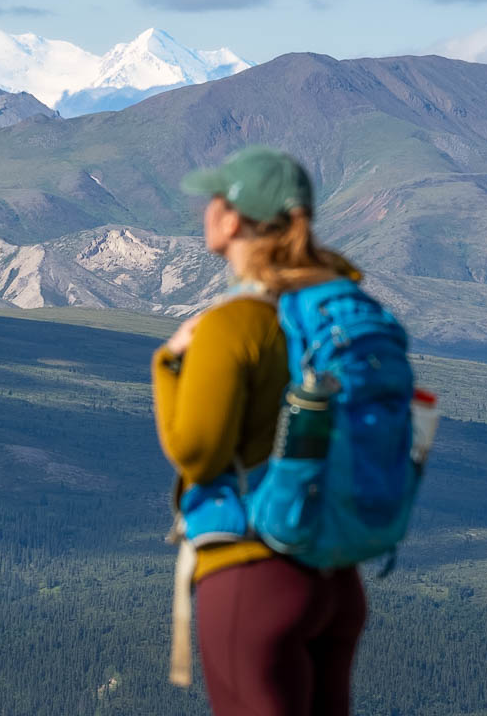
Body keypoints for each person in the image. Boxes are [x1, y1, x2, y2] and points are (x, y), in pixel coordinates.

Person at [152, 145, 368, 716]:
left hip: (253, 572)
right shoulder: (339, 315)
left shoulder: (233, 325)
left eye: (214, 200)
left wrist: (168, 365)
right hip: (336, 578)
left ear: (232, 219)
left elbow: (198, 454)